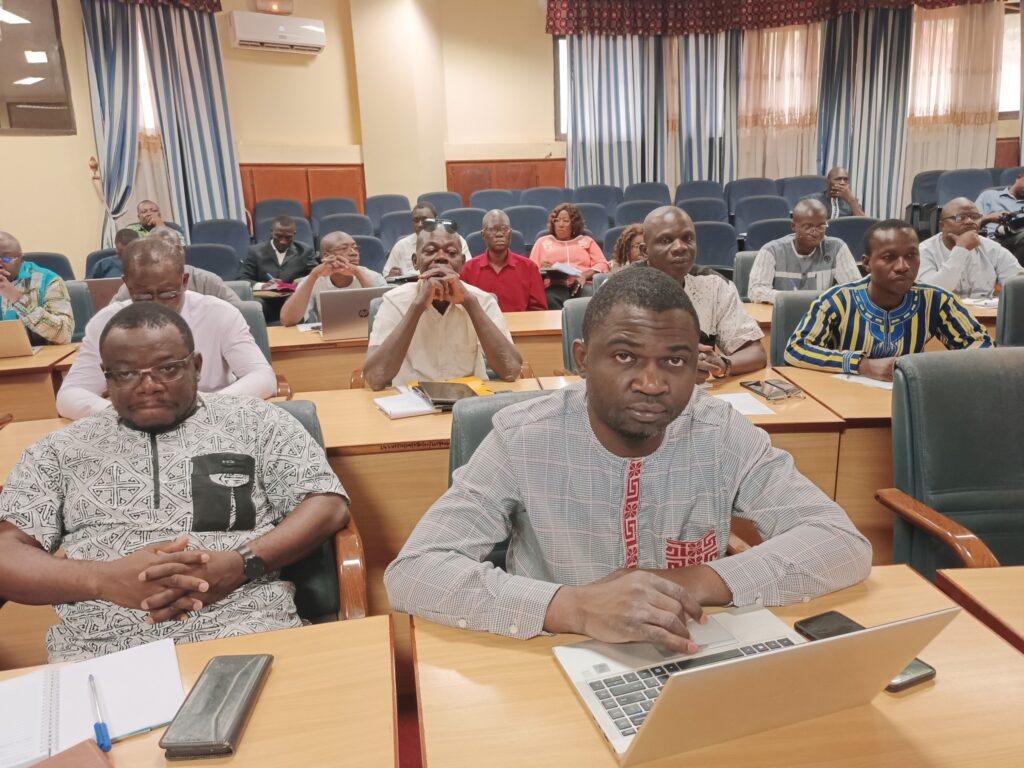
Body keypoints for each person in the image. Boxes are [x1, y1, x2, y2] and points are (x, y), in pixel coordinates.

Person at [384, 267, 871, 650]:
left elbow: (841, 541)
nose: (652, 383)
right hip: (555, 649)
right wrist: (576, 607)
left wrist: (687, 583)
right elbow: (415, 572)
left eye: (675, 361)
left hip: (690, 646)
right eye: (625, 357)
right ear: (582, 358)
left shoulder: (719, 430)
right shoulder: (522, 437)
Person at [0, 302, 349, 662]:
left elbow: (327, 505)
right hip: (100, 651)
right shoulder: (59, 450)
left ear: (196, 366)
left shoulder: (256, 421)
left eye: (167, 368)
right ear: (106, 378)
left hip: (248, 628)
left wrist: (241, 563)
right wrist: (103, 580)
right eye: (126, 373)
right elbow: (6, 552)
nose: (148, 386)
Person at [57, 237, 277, 419]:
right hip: (137, 426)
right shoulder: (106, 323)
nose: (156, 304)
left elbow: (263, 377)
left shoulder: (219, 314)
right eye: (143, 296)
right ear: (127, 285)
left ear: (184, 281)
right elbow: (69, 395)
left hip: (211, 418)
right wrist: (118, 414)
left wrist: (204, 407)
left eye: (168, 294)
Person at [784, 219, 993, 381]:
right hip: (844, 398)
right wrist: (861, 365)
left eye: (911, 256)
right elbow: (796, 349)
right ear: (867, 263)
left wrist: (927, 367)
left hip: (909, 397)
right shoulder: (837, 300)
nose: (903, 266)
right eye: (889, 257)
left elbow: (982, 346)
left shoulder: (937, 300)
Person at [363, 219, 522, 389]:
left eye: (451, 252)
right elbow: (375, 377)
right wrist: (417, 307)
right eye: (430, 251)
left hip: (468, 399)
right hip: (411, 399)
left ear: (462, 263)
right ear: (415, 261)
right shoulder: (394, 301)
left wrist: (469, 304)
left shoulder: (481, 300)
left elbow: (511, 370)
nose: (440, 257)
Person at [642, 207, 766, 383]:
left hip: (701, 393)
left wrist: (721, 363)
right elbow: (604, 363)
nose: (680, 247)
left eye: (688, 238)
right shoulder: (618, 289)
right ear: (644, 251)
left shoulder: (714, 285)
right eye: (665, 240)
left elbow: (756, 353)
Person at [747, 199, 861, 304]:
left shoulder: (837, 248)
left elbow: (856, 290)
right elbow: (755, 291)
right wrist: (792, 299)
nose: (815, 232)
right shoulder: (771, 251)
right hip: (782, 314)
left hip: (822, 314)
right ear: (793, 226)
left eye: (820, 226)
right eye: (808, 226)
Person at [106, 228, 243, 307]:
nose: (170, 255)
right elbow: (110, 318)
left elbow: (240, 312)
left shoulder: (206, 280)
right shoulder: (134, 286)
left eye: (175, 249)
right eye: (160, 250)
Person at [918, 198, 1023, 299]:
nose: (970, 221)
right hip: (942, 311)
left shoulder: (993, 249)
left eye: (975, 217)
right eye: (960, 217)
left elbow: (1019, 285)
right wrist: (961, 249)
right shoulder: (924, 251)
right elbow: (931, 294)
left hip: (985, 311)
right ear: (942, 225)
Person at [279, 231, 387, 326]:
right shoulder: (314, 279)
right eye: (344, 248)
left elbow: (385, 315)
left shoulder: (373, 277)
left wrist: (358, 273)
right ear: (327, 256)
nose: (354, 253)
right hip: (328, 338)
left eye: (355, 248)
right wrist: (313, 276)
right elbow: (287, 320)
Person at [460, 209, 547, 312]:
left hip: (521, 322)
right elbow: (462, 309)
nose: (499, 234)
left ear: (511, 233)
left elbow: (539, 310)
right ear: (483, 235)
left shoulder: (529, 268)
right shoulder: (468, 269)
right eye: (492, 229)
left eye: (504, 229)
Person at [529, 203, 610, 309]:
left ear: (574, 224)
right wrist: (543, 269)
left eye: (566, 221)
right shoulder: (542, 242)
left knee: (591, 294)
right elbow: (531, 269)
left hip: (582, 284)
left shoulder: (586, 241)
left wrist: (584, 275)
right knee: (548, 298)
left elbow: (603, 264)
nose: (560, 224)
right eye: (557, 220)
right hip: (554, 286)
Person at [0, 230, 73, 344]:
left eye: (6, 259)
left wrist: (17, 299)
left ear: (21, 259)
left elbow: (64, 334)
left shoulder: (49, 281)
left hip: (43, 353)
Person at [241, 215, 317, 323]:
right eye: (278, 236)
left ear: (294, 234)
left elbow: (315, 274)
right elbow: (242, 279)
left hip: (293, 298)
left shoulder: (305, 251)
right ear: (271, 232)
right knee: (256, 305)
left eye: (288, 237)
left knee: (299, 304)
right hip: (265, 300)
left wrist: (300, 281)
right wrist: (263, 285)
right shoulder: (255, 252)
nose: (283, 241)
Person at [382, 202, 470, 277]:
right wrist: (390, 277)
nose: (420, 224)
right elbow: (386, 276)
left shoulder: (457, 241)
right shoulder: (401, 245)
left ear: (436, 219)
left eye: (425, 220)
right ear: (415, 260)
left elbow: (468, 270)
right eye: (416, 220)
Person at [975, 169, 1024, 234]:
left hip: (1018, 236)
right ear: (1018, 178)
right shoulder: (988, 195)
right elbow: (971, 223)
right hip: (989, 236)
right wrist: (988, 218)